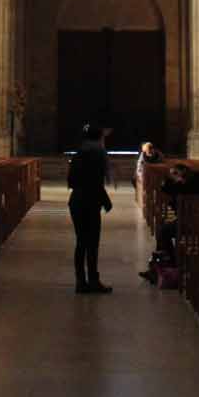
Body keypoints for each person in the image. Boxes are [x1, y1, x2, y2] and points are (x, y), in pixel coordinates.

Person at [140, 161, 199, 283]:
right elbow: (167, 188)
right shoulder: (185, 182)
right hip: (190, 219)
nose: (174, 177)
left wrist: (177, 181)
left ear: (183, 172)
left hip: (195, 221)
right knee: (162, 230)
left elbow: (169, 188)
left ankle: (171, 266)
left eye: (175, 174)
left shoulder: (196, 181)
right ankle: (162, 267)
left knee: (163, 232)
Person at [67, 120, 113, 295]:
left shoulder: (79, 153)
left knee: (81, 243)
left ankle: (81, 282)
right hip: (90, 201)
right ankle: (93, 281)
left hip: (77, 201)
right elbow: (95, 181)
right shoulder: (97, 154)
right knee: (92, 243)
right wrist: (105, 200)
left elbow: (71, 180)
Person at [134, 139, 165, 203]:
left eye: (149, 149)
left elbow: (161, 163)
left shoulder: (158, 154)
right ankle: (147, 197)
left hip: (156, 173)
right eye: (146, 149)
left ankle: (155, 198)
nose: (148, 151)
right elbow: (139, 164)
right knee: (138, 179)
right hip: (145, 173)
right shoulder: (143, 154)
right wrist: (140, 172)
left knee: (156, 182)